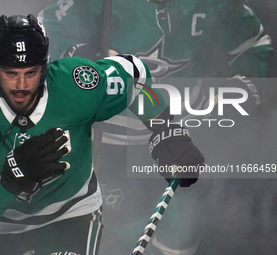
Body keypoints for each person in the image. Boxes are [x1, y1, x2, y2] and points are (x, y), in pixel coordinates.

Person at [0, 14, 204, 255]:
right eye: (11, 74)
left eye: (30, 73)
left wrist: (164, 127)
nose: (21, 86)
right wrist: (13, 175)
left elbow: (134, 77)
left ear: (45, 67)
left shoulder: (77, 82)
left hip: (69, 216)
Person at [38, 0, 274, 254]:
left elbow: (252, 43)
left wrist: (245, 89)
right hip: (109, 142)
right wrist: (81, 59)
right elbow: (43, 31)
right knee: (113, 236)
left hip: (183, 138)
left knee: (181, 233)